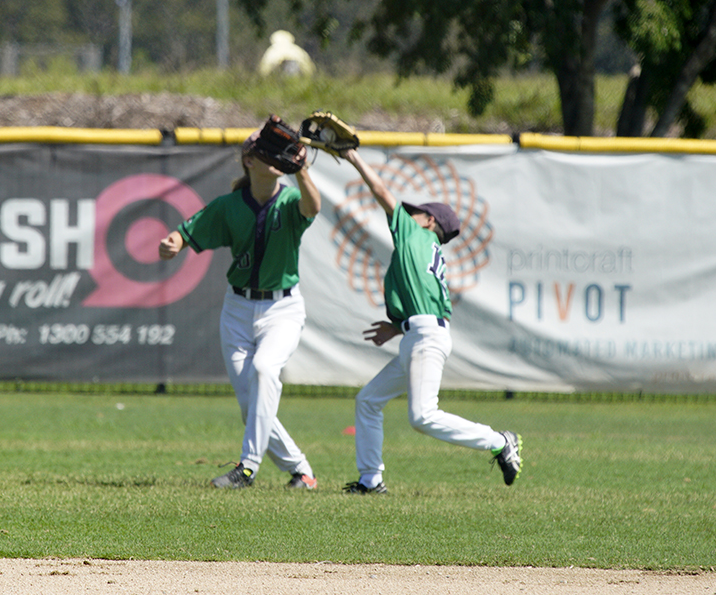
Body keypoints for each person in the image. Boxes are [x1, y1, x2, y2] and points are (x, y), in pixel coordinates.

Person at [338, 147, 522, 494]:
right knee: (369, 400)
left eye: (415, 213)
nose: (408, 215)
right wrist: (399, 326)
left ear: (430, 222)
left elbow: (380, 191)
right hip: (419, 336)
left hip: (425, 340)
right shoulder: (426, 250)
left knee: (422, 416)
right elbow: (433, 307)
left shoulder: (415, 236)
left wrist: (352, 156)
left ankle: (499, 441)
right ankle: (370, 481)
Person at [158, 122, 320, 489]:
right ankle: (302, 471)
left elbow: (313, 207)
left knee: (264, 371)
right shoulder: (230, 205)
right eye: (267, 152)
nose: (277, 159)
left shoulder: (291, 198)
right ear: (249, 160)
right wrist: (171, 243)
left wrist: (303, 169)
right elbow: (186, 233)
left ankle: (247, 467)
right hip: (237, 311)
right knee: (251, 404)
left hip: (282, 310)